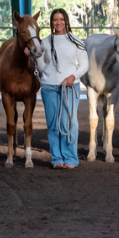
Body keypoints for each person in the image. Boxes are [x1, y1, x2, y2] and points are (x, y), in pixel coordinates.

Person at [33, 9, 88, 170]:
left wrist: (73, 76)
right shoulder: (45, 42)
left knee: (68, 122)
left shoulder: (76, 41)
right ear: (51, 22)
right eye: (55, 20)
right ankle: (57, 157)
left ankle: (70, 157)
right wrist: (36, 55)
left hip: (70, 87)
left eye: (61, 19)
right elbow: (42, 66)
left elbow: (84, 64)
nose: (58, 23)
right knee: (53, 124)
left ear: (66, 21)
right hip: (49, 87)